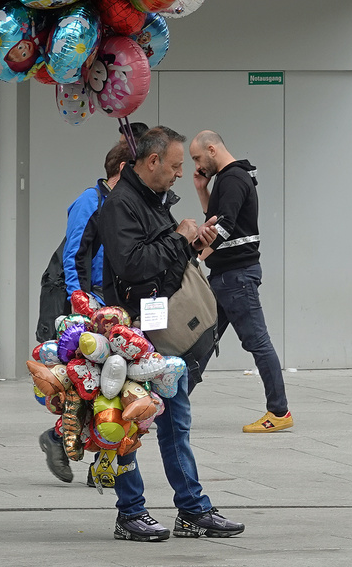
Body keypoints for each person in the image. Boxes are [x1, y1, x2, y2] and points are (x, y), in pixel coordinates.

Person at [94, 126, 244, 541]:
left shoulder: (151, 200)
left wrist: (194, 244)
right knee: (128, 422)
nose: (181, 173)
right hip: (130, 332)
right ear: (152, 161)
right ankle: (130, 512)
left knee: (175, 419)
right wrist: (180, 237)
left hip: (156, 330)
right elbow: (133, 266)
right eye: (176, 166)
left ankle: (192, 510)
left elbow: (163, 266)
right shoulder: (120, 205)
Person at [37, 138, 131, 484]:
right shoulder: (89, 201)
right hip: (86, 307)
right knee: (87, 386)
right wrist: (83, 304)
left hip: (112, 305)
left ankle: (92, 456)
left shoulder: (124, 204)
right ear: (124, 169)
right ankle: (60, 438)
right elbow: (73, 255)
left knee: (112, 386)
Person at [188, 130, 291, 433]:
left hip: (236, 277)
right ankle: (169, 407)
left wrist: (195, 258)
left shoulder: (232, 178)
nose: (196, 164)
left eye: (197, 158)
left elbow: (224, 227)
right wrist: (201, 188)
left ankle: (279, 411)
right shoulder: (229, 178)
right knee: (201, 343)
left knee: (256, 341)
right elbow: (216, 217)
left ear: (211, 149)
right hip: (228, 277)